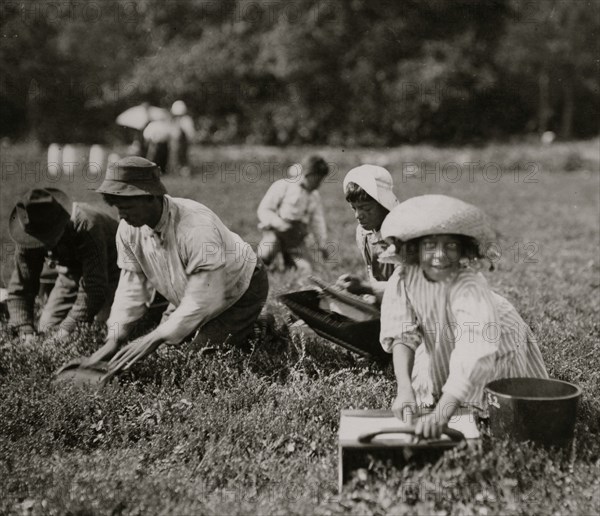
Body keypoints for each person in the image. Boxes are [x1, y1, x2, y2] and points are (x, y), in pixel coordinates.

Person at [378, 195, 548, 438]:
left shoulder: (469, 285)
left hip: (495, 336)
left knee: (495, 415)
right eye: (430, 245)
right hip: (442, 332)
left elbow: (474, 351)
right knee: (436, 392)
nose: (440, 255)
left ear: (463, 250)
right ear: (414, 248)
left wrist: (441, 414)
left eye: (450, 246)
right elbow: (402, 334)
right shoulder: (405, 277)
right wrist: (404, 388)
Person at [85, 156, 269, 370]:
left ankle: (260, 326)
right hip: (187, 291)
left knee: (194, 362)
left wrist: (155, 336)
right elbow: (131, 286)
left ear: (151, 197)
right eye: (117, 206)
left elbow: (205, 298)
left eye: (127, 206)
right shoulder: (128, 229)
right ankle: (243, 327)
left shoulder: (195, 227)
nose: (121, 215)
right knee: (164, 355)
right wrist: (114, 339)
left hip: (240, 290)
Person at [6, 188, 120, 341]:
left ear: (63, 223)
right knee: (46, 328)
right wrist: (25, 330)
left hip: (113, 271)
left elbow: (95, 287)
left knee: (102, 329)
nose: (45, 247)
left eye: (49, 239)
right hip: (71, 274)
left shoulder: (87, 225)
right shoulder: (28, 235)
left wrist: (67, 328)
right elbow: (21, 288)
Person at [335, 164, 399, 303]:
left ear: (383, 204)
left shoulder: (402, 235)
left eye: (366, 208)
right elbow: (373, 273)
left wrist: (365, 288)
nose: (358, 215)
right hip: (383, 299)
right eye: (354, 209)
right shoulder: (363, 233)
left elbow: (407, 288)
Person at [257, 155, 330, 273]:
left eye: (321, 181)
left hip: (296, 239)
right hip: (276, 233)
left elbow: (317, 222)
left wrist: (321, 244)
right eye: (316, 180)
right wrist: (278, 222)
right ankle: (263, 268)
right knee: (265, 253)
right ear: (307, 174)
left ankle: (288, 262)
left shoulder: (314, 196)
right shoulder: (283, 186)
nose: (318, 184)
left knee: (306, 269)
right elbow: (264, 209)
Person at [170, 100, 195, 177]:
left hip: (183, 142)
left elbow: (190, 133)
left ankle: (184, 172)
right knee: (176, 158)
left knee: (183, 158)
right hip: (176, 142)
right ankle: (177, 171)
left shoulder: (186, 120)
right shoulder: (175, 121)